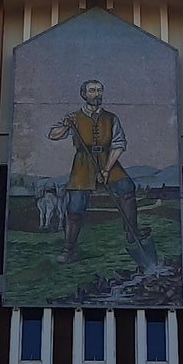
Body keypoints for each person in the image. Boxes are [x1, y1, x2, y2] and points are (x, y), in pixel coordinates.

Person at [48, 79, 150, 264]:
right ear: (83, 94)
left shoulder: (111, 118)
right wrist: (66, 126)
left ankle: (131, 232)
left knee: (127, 187)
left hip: (107, 159)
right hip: (83, 163)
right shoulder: (74, 117)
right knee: (75, 206)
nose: (97, 94)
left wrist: (106, 169)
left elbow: (119, 144)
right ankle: (68, 248)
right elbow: (53, 135)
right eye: (92, 91)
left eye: (99, 90)